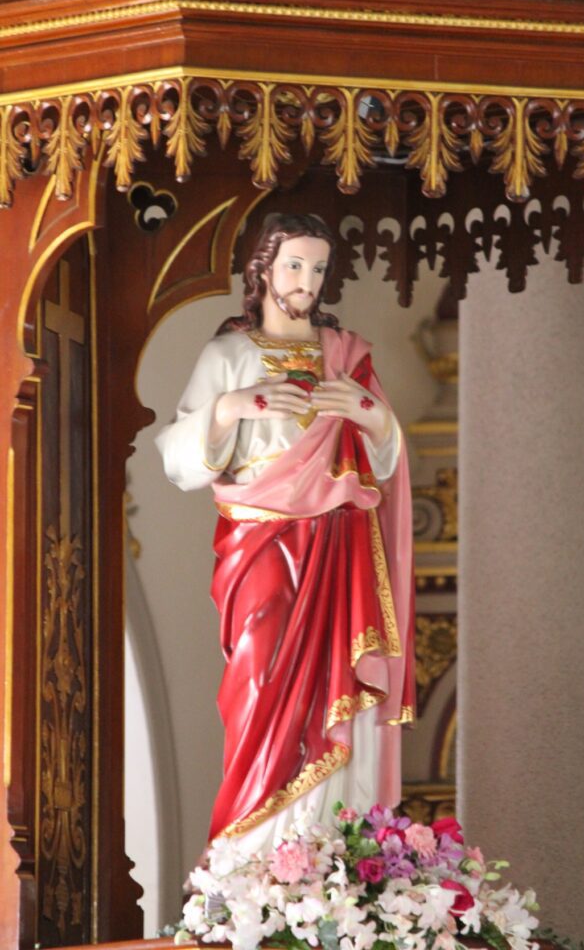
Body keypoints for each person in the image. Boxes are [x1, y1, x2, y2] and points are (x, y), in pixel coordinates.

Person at [156, 213, 415, 856]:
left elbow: (385, 462)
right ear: (264, 268)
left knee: (338, 686)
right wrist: (230, 407)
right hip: (261, 546)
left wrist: (370, 415)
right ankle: (255, 853)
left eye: (318, 268)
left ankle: (325, 850)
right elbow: (177, 459)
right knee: (259, 678)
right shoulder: (230, 354)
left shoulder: (345, 356)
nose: (307, 281)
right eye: (295, 265)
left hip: (337, 547)